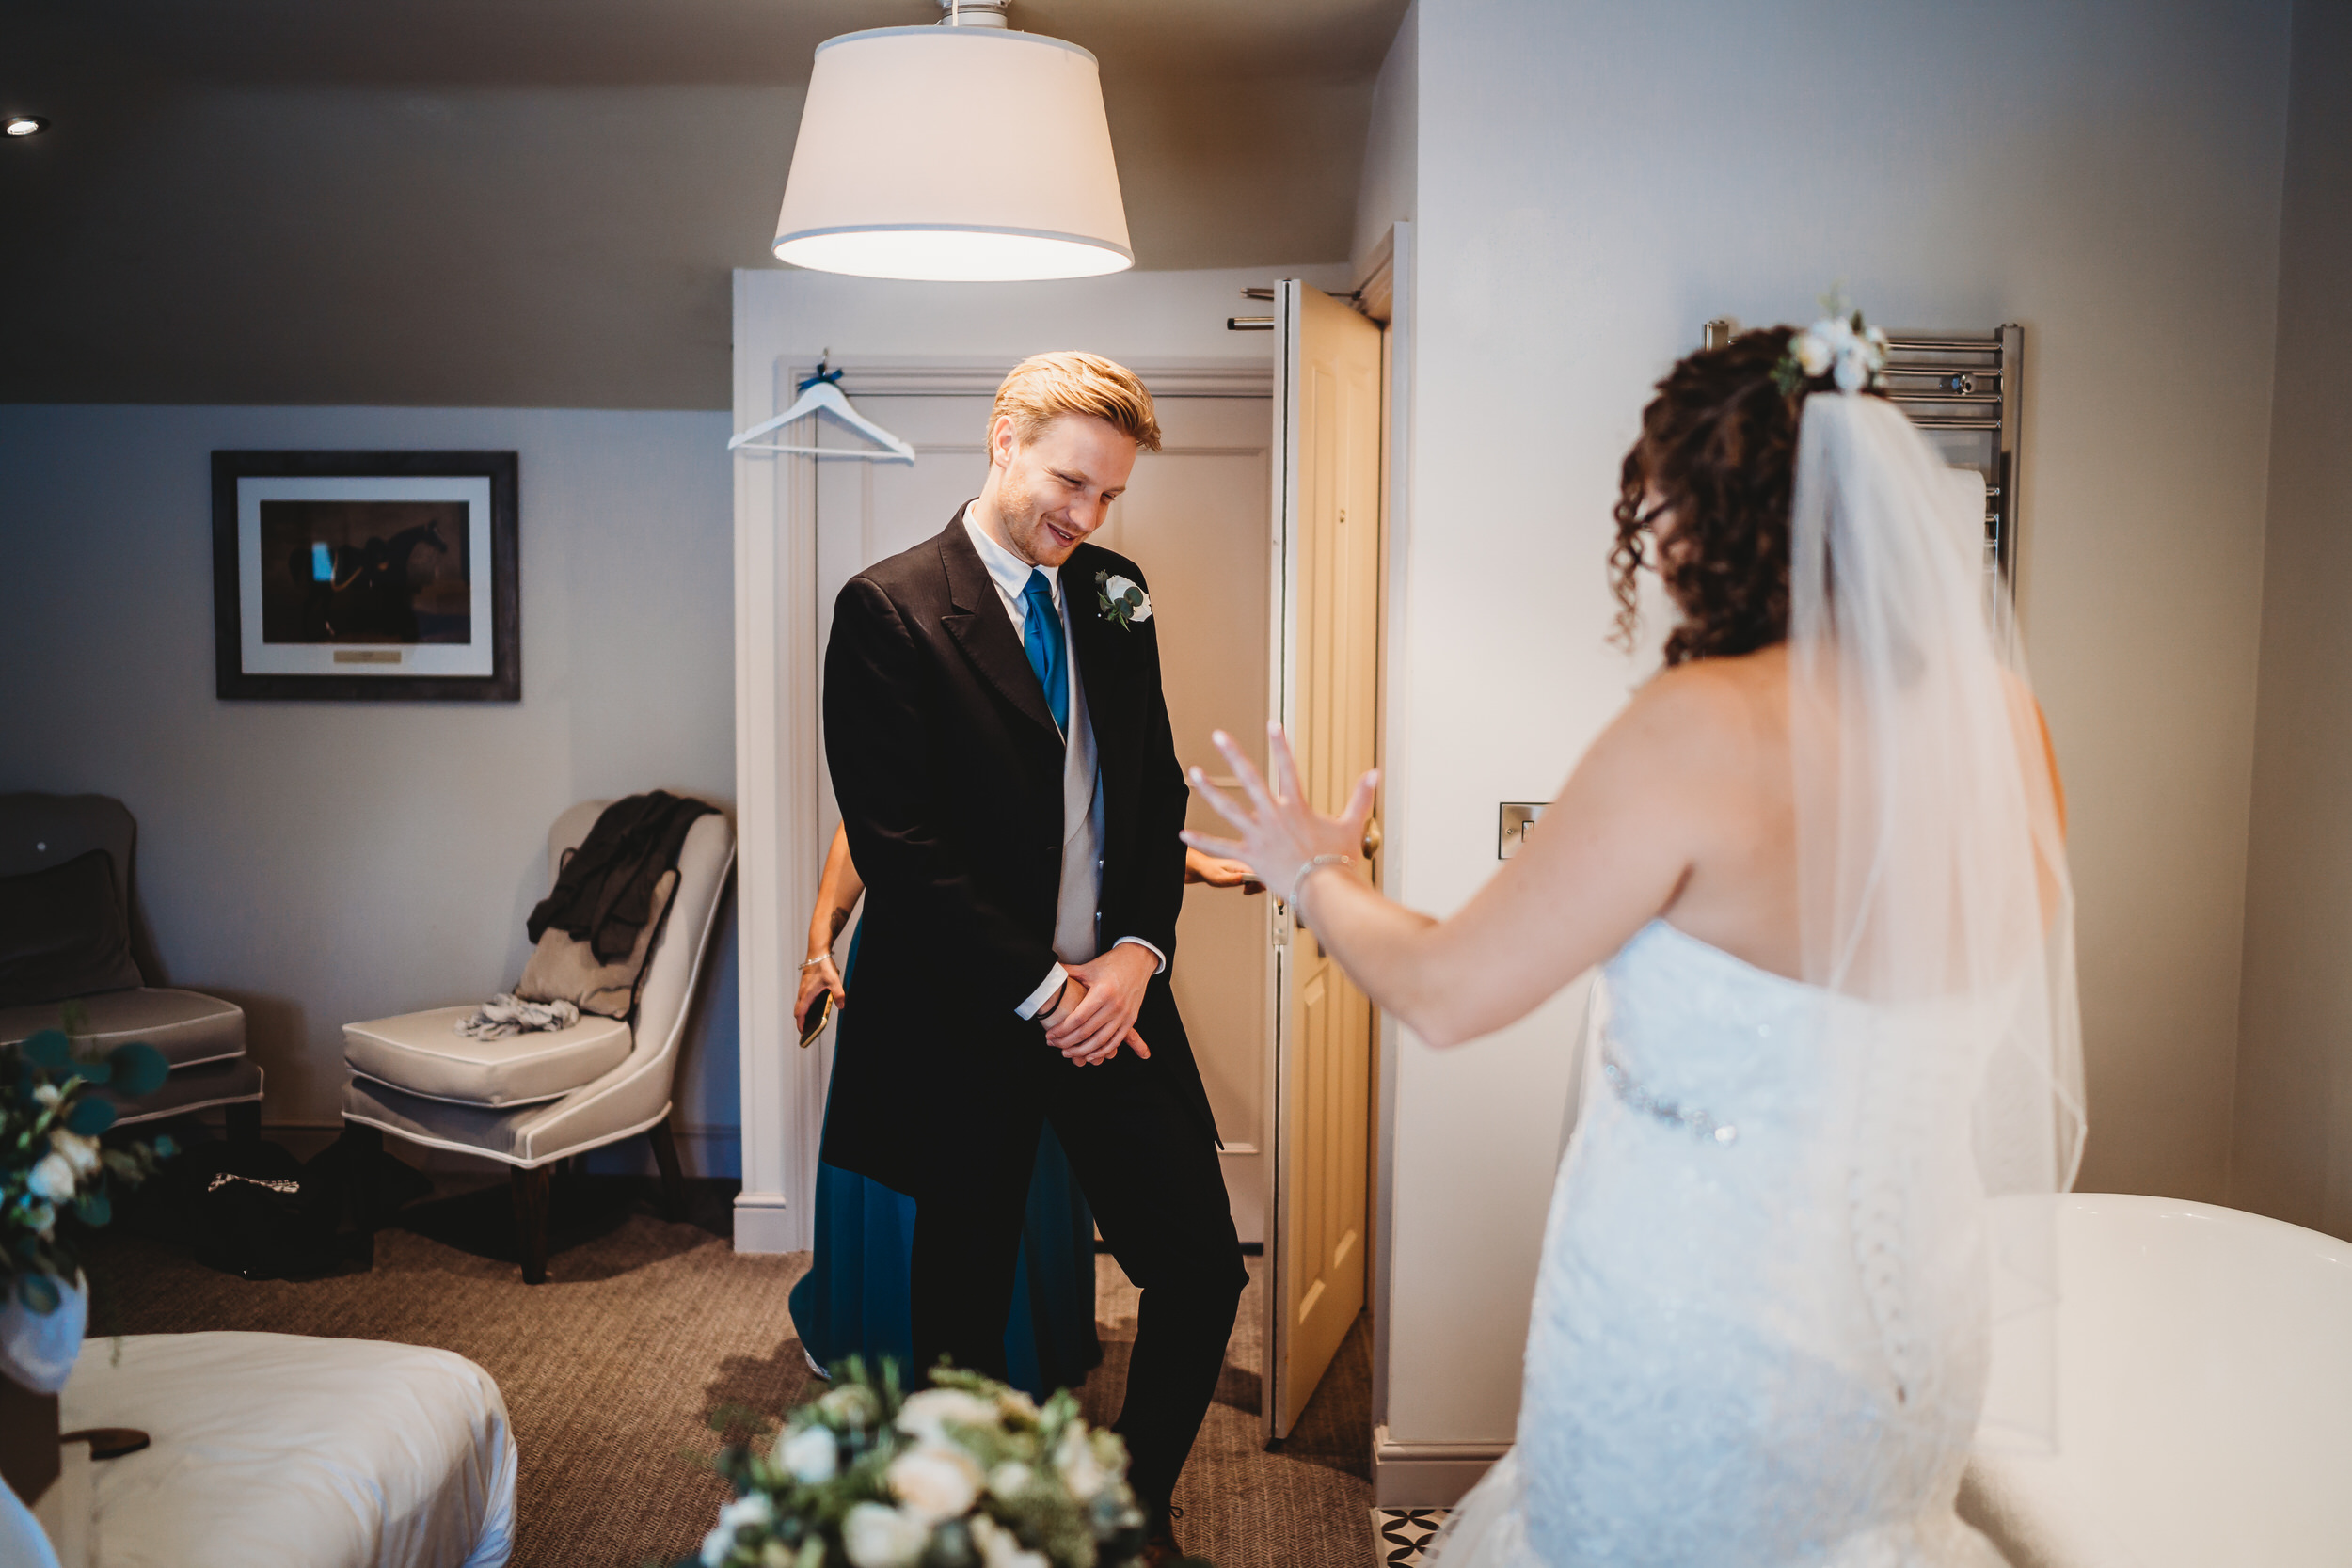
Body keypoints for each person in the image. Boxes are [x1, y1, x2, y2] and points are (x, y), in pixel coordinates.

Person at [1186, 312, 2087, 1566]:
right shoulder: (2003, 717)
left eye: (1657, 504)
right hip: (1914, 1302)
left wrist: (1310, 869)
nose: (1652, 541)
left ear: (1716, 515)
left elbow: (1445, 990)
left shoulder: (1698, 725)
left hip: (1709, 1314)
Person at [821, 351, 1251, 1561]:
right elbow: (898, 846)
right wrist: (1045, 985)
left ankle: (1130, 1508)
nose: (1088, 515)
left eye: (1110, 493)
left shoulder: (1115, 591)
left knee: (1201, 1267)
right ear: (1003, 438)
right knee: (964, 1297)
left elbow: (1151, 786)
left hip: (1116, 998)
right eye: (1072, 482)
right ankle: (966, 1528)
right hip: (970, 1013)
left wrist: (1138, 952)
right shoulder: (889, 608)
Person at [787, 825, 1258, 1399]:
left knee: (1027, 1177)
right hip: (926, 964)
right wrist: (819, 945)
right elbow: (871, 827)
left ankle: (1027, 1354)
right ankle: (905, 1366)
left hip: (1051, 972)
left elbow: (1079, 825)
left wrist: (1188, 860)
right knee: (925, 1180)